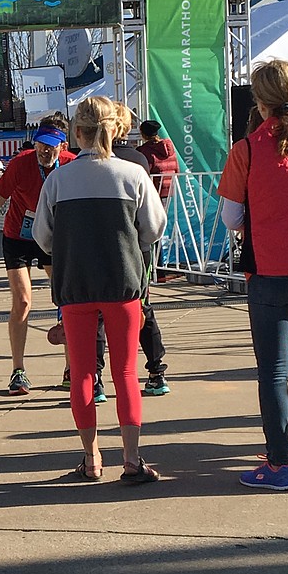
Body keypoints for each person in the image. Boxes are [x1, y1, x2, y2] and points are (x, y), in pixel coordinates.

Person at [32, 96, 167, 483]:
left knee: (82, 374)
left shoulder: (59, 178)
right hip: (122, 284)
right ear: (117, 129)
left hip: (75, 286)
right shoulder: (132, 174)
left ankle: (91, 459)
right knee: (126, 371)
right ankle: (131, 459)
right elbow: (154, 229)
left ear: (77, 133)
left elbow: (43, 236)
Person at [218, 59, 288, 490]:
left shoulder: (246, 149)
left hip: (269, 271)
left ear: (259, 101)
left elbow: (230, 218)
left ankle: (279, 464)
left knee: (274, 371)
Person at [0, 120, 76, 395]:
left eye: (51, 147)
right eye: (41, 144)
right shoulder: (21, 163)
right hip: (18, 237)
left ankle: (71, 367)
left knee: (65, 301)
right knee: (22, 301)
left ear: (62, 147)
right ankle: (18, 370)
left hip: (51, 240)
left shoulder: (71, 164)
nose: (44, 151)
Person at [112, 103, 170, 395]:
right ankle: (157, 370)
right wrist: (144, 242)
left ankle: (95, 378)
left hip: (109, 247)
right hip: (138, 246)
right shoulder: (139, 159)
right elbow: (152, 218)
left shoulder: (127, 159)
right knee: (143, 305)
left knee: (98, 311)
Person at [138, 120, 180, 201]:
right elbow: (176, 168)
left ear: (143, 134)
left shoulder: (145, 151)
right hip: (168, 188)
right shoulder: (169, 148)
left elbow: (144, 171)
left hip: (153, 189)